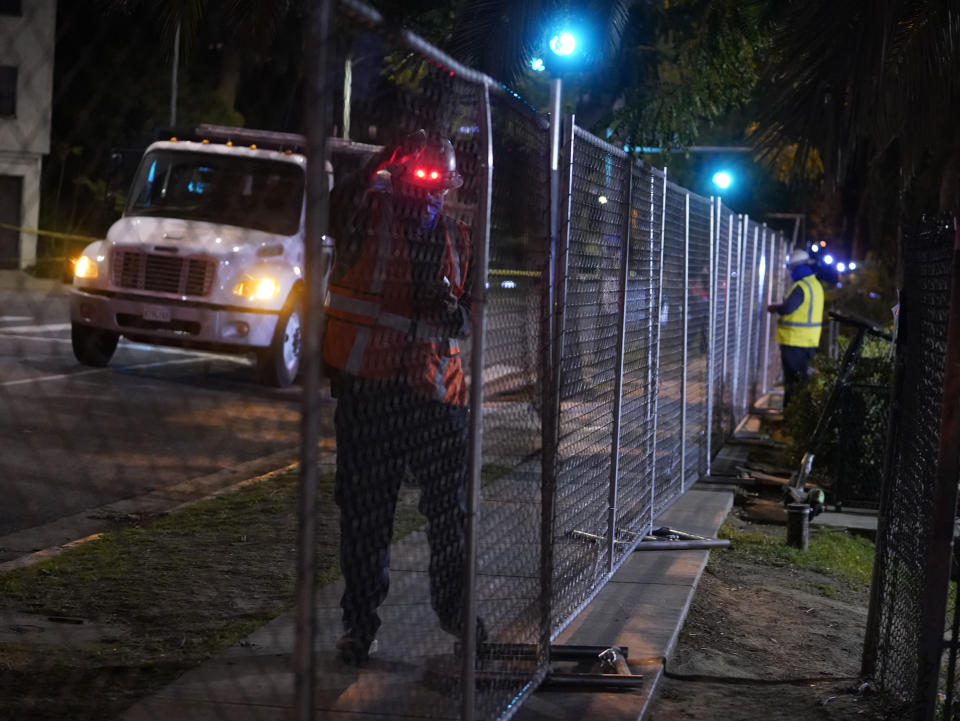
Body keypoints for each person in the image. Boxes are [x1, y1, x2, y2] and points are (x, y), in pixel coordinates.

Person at [322, 129, 479, 665]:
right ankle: (358, 627)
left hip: (437, 399)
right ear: (402, 172)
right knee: (366, 516)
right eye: (423, 174)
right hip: (369, 392)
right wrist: (383, 157)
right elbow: (334, 199)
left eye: (442, 179)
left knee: (451, 515)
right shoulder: (364, 214)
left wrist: (453, 311)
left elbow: (470, 313)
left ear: (453, 184)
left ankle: (458, 619)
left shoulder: (460, 236)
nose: (432, 188)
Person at [766, 248, 825, 409]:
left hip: (794, 341)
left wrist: (775, 307)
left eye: (791, 269)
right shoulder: (816, 285)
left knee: (793, 381)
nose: (790, 273)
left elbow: (788, 308)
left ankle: (792, 414)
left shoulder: (801, 286)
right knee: (801, 379)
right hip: (809, 341)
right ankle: (798, 415)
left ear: (797, 267)